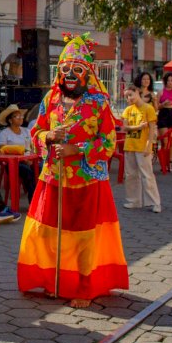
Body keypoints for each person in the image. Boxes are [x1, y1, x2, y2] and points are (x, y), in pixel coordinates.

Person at [17, 32, 129, 309]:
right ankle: (54, 281)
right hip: (53, 177)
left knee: (84, 237)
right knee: (45, 232)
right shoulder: (50, 100)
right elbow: (36, 131)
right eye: (65, 68)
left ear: (87, 73)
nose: (70, 74)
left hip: (87, 180)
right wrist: (49, 136)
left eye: (76, 69)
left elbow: (108, 141)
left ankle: (83, 287)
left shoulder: (98, 103)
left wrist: (76, 149)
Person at [121, 85, 161, 213]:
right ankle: (134, 200)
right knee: (130, 175)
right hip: (129, 145)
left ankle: (155, 202)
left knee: (147, 175)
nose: (129, 98)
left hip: (142, 146)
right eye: (126, 96)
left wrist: (149, 145)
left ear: (137, 92)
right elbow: (125, 128)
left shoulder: (148, 109)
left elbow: (151, 129)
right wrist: (138, 127)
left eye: (131, 94)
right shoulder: (127, 110)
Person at [0, 103, 36, 206]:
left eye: (21, 116)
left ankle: (39, 202)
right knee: (28, 172)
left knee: (40, 170)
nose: (20, 118)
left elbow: (32, 147)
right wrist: (19, 154)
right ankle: (33, 204)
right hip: (13, 164)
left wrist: (29, 157)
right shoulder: (5, 133)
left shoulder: (26, 131)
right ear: (10, 120)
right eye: (16, 116)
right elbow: (1, 148)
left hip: (29, 160)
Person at [157, 72, 172, 162]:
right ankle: (164, 159)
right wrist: (163, 104)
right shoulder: (161, 92)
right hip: (164, 114)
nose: (170, 82)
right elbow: (156, 107)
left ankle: (170, 160)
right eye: (168, 80)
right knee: (165, 141)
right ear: (165, 81)